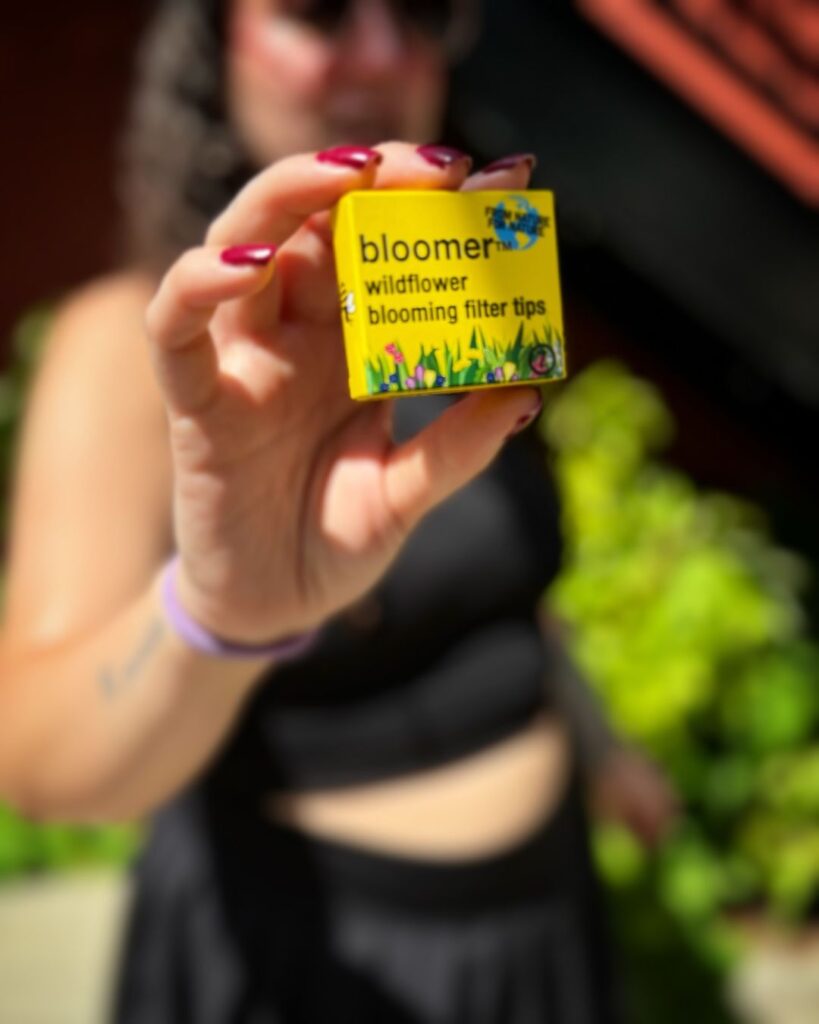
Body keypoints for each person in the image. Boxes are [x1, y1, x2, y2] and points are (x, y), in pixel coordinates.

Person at [0, 1, 675, 1021]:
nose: (379, 50)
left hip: (543, 925)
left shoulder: (461, 291)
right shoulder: (133, 348)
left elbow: (508, 586)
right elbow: (36, 763)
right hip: (311, 962)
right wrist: (220, 616)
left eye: (421, 10)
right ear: (213, 45)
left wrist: (598, 740)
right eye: (316, 8)